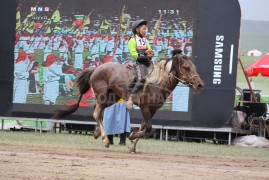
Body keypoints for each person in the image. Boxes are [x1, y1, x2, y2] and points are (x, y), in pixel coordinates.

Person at [126, 19, 154, 109]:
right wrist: (146, 55)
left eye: (146, 29)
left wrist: (150, 53)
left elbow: (150, 51)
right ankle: (131, 98)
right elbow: (135, 55)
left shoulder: (145, 40)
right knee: (142, 79)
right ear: (137, 30)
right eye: (143, 29)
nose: (145, 31)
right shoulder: (132, 40)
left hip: (148, 62)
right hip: (139, 63)